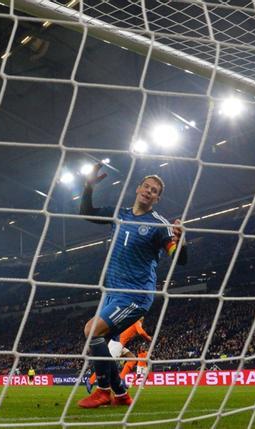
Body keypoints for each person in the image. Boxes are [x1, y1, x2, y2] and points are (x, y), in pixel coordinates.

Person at [77, 164, 187, 408]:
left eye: (154, 190)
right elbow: (86, 212)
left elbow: (179, 257)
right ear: (138, 189)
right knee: (98, 342)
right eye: (146, 186)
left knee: (91, 330)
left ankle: (104, 391)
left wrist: (182, 241)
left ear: (157, 198)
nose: (149, 191)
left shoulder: (159, 225)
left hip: (135, 295)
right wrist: (88, 187)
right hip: (112, 292)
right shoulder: (120, 214)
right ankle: (121, 392)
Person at [86, 317, 152, 393]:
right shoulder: (137, 321)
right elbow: (141, 332)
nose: (142, 320)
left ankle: (121, 379)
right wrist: (148, 338)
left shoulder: (132, 321)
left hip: (120, 344)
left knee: (133, 359)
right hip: (117, 345)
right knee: (106, 364)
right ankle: (90, 381)